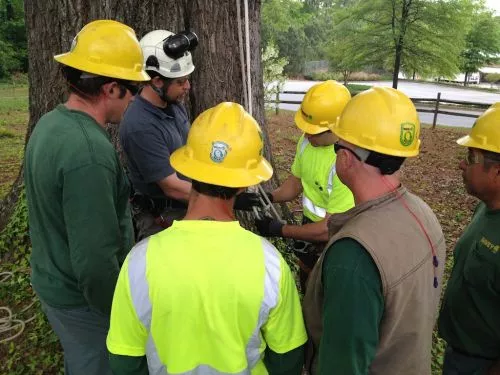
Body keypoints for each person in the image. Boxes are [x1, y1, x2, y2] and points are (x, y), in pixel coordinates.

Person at [107, 102, 307, 375]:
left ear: (188, 169)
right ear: (244, 182)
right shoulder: (270, 265)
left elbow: (124, 361)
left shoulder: (139, 262)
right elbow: (288, 358)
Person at [24, 20, 149, 375]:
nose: (135, 99)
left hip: (54, 280)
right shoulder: (88, 153)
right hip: (84, 302)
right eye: (133, 90)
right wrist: (121, 313)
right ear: (111, 89)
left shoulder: (50, 124)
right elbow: (95, 262)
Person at [302, 87, 446, 375]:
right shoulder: (425, 215)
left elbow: (342, 366)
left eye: (337, 145)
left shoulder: (353, 255)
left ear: (345, 157)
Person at [254, 80, 354, 289]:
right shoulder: (307, 142)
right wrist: (266, 197)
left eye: (314, 131)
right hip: (310, 225)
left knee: (325, 285)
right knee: (306, 272)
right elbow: (295, 184)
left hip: (336, 233)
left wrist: (281, 229)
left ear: (339, 126)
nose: (307, 134)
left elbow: (328, 229)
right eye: (306, 128)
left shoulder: (345, 163)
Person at [438, 103, 500, 375]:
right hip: (459, 354)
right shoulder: (486, 208)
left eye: (471, 157)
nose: (462, 163)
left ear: (497, 172)